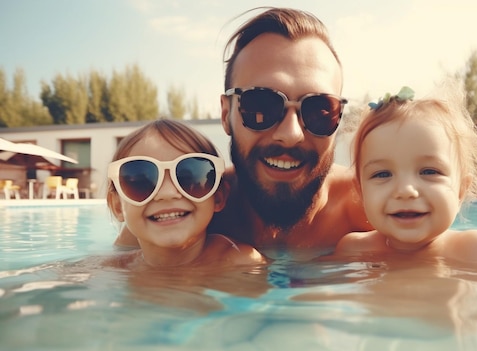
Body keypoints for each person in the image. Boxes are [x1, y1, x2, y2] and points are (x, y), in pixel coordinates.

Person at [114, 7, 372, 257]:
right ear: (226, 115)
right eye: (261, 106)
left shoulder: (370, 209)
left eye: (319, 111)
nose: (291, 134)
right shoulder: (190, 204)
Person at [333, 84, 477, 263]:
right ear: (360, 192)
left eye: (429, 171)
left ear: (461, 191)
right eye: (382, 174)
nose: (405, 190)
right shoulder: (354, 251)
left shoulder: (476, 251)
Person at [106, 118, 265, 268]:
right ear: (118, 206)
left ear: (218, 196)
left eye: (189, 178)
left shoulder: (240, 263)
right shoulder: (114, 269)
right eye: (141, 182)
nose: (167, 193)